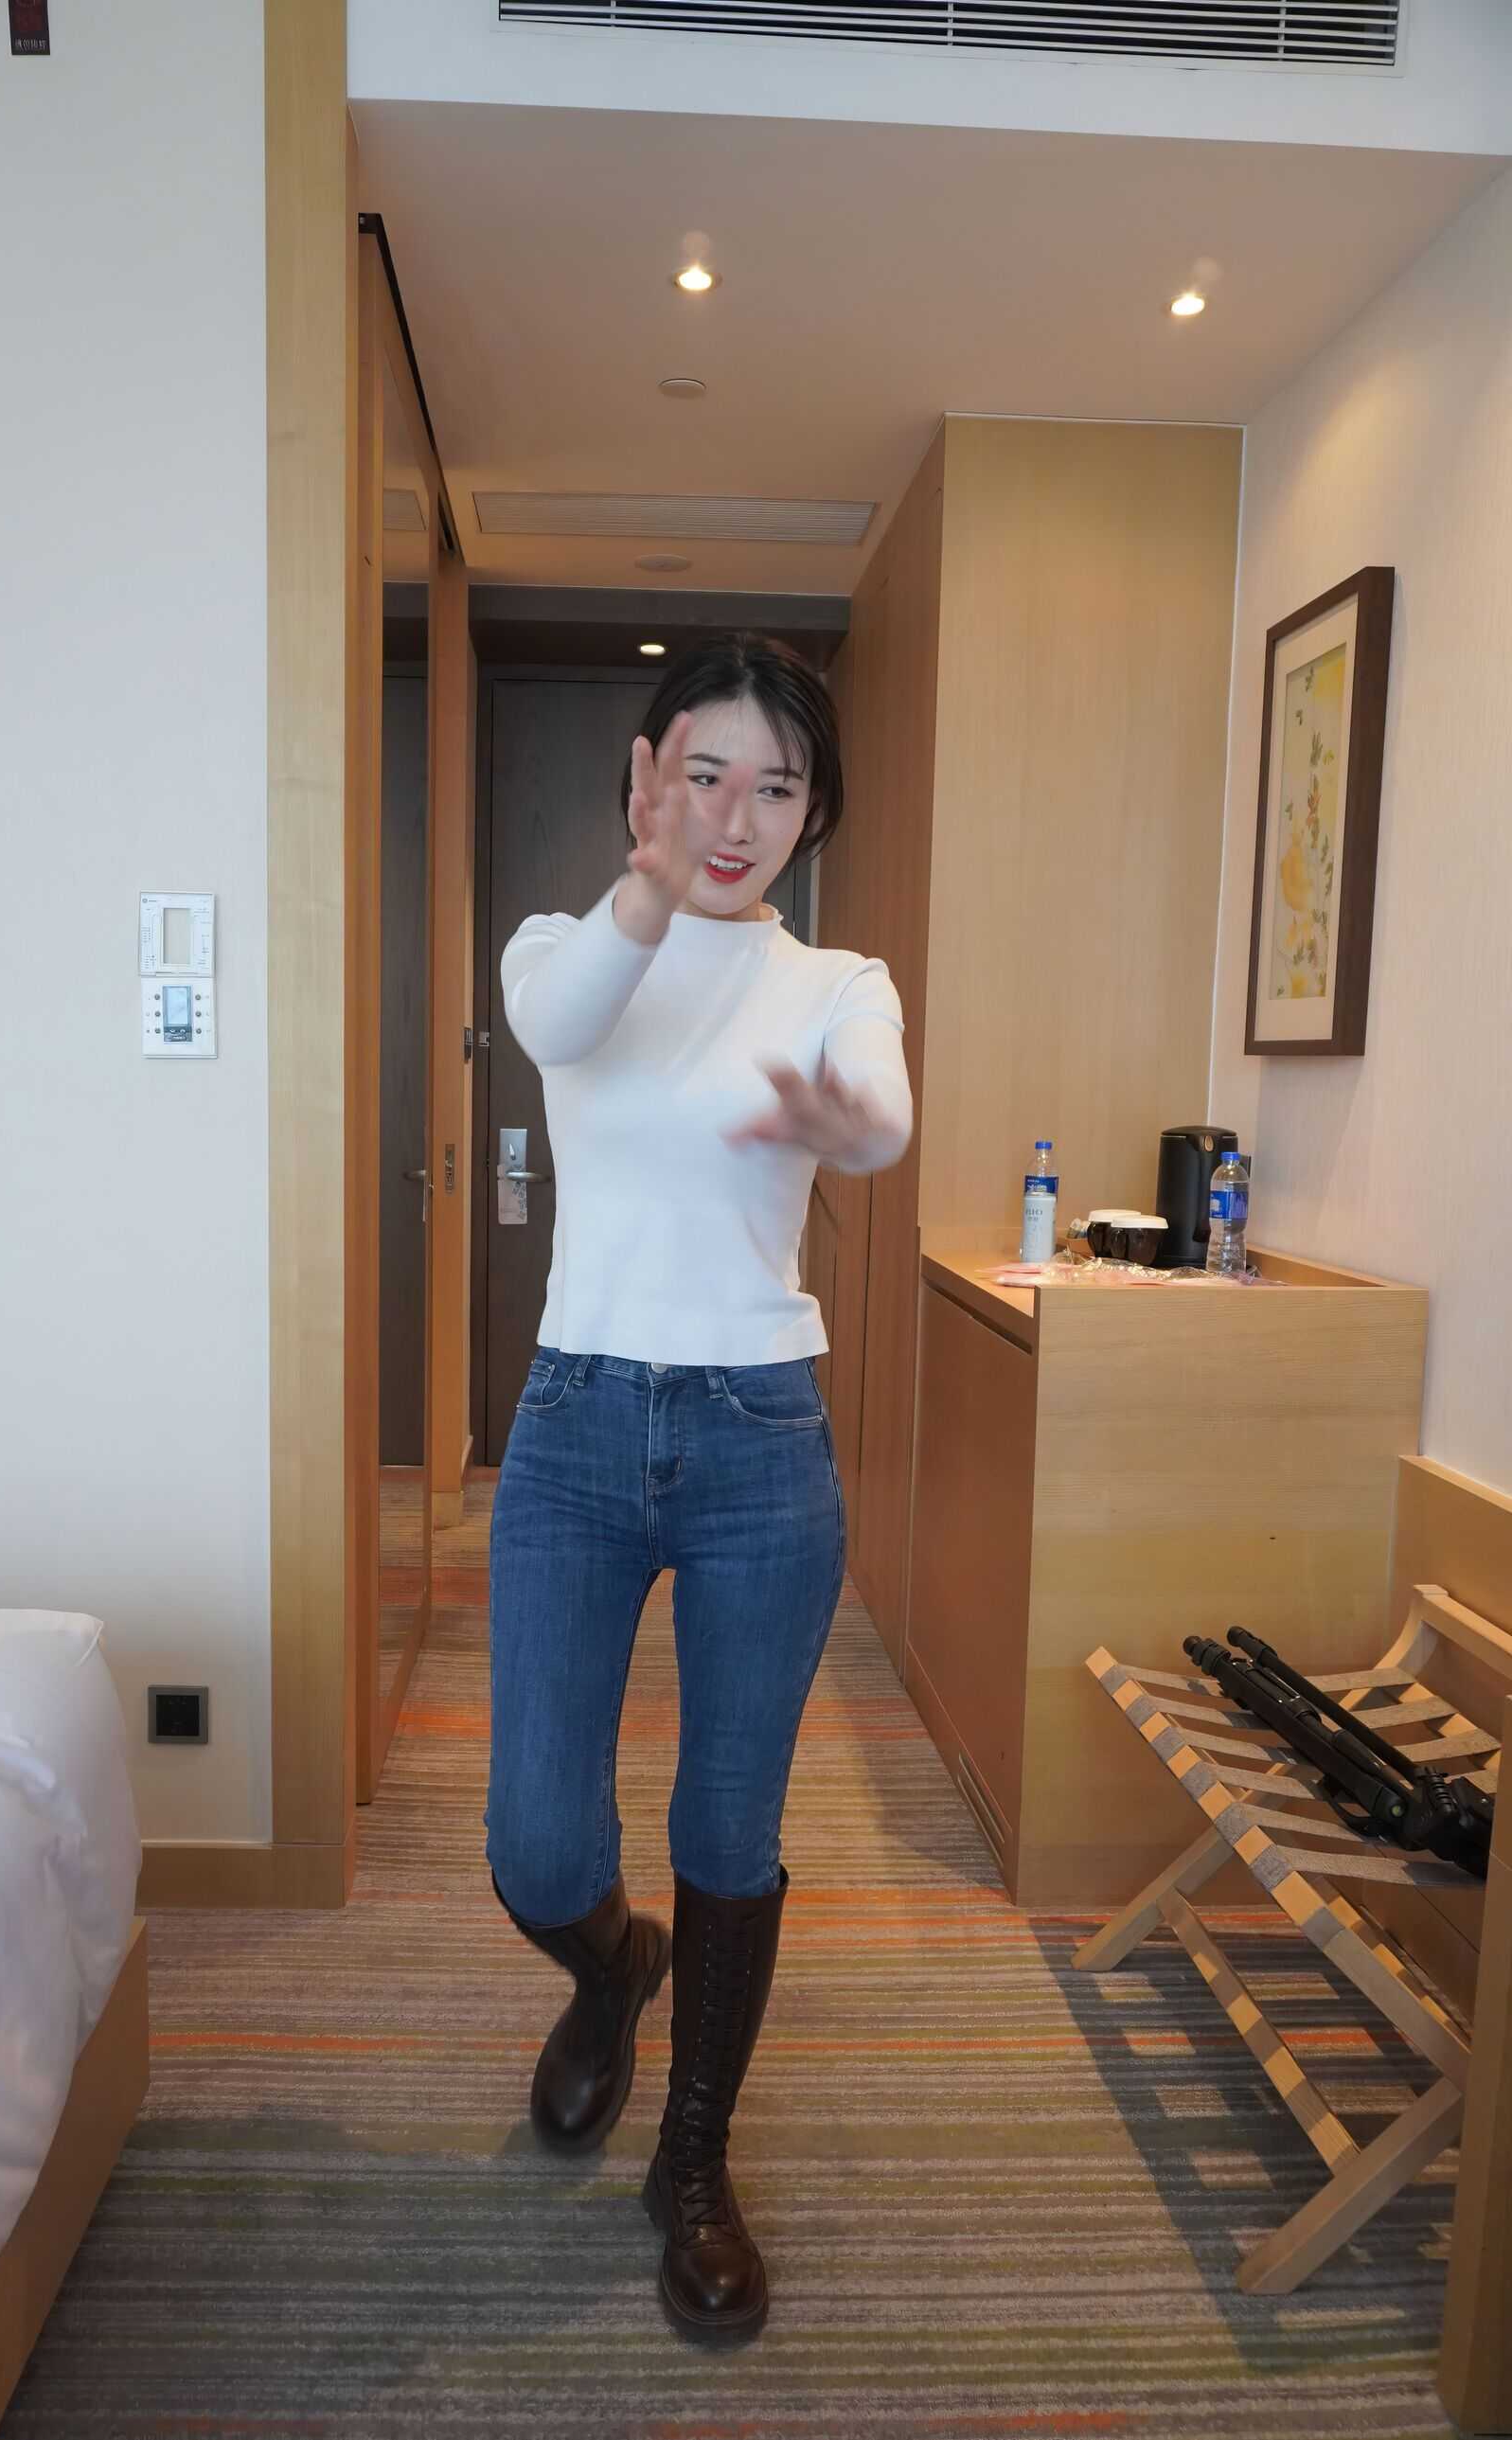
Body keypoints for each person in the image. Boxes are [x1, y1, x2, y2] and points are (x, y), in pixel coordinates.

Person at [484, 632, 913, 2343]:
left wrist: (846, 1124)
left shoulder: (842, 981)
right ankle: (613, 1967)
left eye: (778, 786)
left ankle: (694, 2160)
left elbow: (878, 1118)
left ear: (814, 813)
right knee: (536, 1844)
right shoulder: (561, 947)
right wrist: (648, 896)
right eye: (707, 773)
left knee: (729, 1826)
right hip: (577, 1426)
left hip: (757, 1440)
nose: (739, 817)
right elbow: (559, 1021)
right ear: (645, 779)